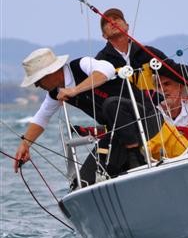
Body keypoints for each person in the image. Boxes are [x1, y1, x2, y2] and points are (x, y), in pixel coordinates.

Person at [14, 48, 160, 186]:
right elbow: (42, 117)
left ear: (50, 72)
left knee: (111, 104)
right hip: (117, 135)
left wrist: (74, 90)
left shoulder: (81, 65)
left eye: (38, 80)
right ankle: (128, 165)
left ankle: (135, 157)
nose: (37, 85)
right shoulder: (55, 93)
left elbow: (107, 70)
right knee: (83, 182)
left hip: (146, 120)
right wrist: (25, 144)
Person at [95, 8, 188, 95]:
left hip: (149, 113)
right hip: (119, 117)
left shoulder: (146, 53)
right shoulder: (101, 60)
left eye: (117, 18)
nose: (112, 22)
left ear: (127, 26)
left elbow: (175, 70)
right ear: (104, 35)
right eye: (106, 22)